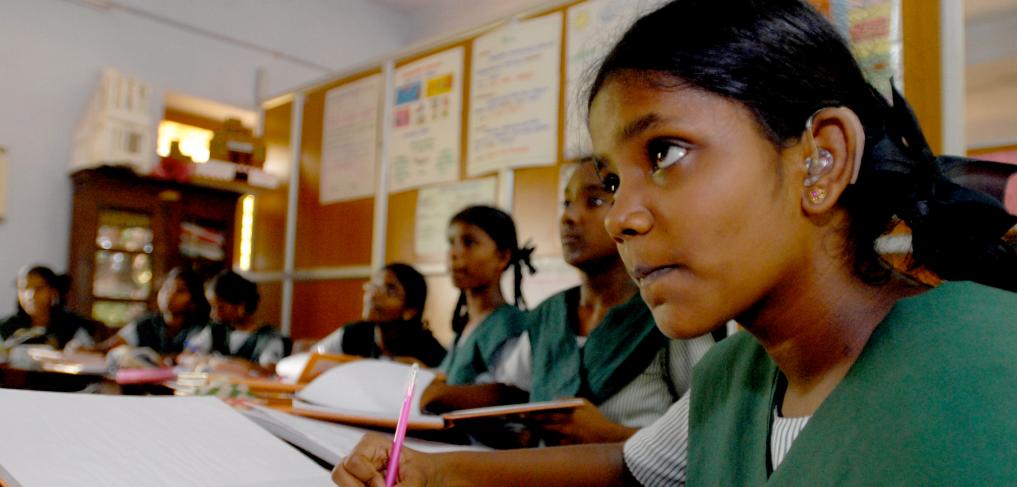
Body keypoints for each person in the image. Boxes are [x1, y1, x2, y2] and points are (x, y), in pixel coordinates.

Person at [333, 1, 1017, 485]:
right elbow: (629, 468)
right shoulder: (734, 374)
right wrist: (431, 471)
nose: (618, 217)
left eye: (664, 152)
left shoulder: (986, 364)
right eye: (610, 178)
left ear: (820, 160)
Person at [421, 161, 713, 446]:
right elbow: (513, 393)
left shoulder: (672, 311)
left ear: (633, 214)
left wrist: (611, 436)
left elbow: (711, 435)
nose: (569, 217)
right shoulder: (547, 317)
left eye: (595, 200)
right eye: (566, 203)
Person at [436, 205, 534, 386]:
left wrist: (437, 394)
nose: (454, 253)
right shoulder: (466, 325)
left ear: (503, 257)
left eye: (469, 243)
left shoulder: (512, 326)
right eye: (451, 243)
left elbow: (505, 394)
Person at [314, 263, 446, 367]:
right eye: (374, 286)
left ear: (410, 311)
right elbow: (313, 359)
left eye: (390, 290)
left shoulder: (430, 353)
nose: (373, 295)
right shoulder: (353, 334)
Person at [188, 270, 290, 372]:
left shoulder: (269, 338)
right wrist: (197, 355)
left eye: (221, 307)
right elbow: (190, 350)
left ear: (241, 305)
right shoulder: (216, 331)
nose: (212, 314)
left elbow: (268, 370)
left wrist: (222, 363)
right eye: (212, 307)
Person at [98, 266, 210, 357]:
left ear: (194, 299)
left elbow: (189, 357)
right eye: (166, 288)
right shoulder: (146, 323)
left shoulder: (201, 327)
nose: (169, 295)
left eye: (180, 291)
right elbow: (110, 347)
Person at [0, 265, 97, 349]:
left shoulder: (74, 326)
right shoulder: (5, 327)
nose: (30, 295)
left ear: (53, 291)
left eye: (39, 288)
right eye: (24, 288)